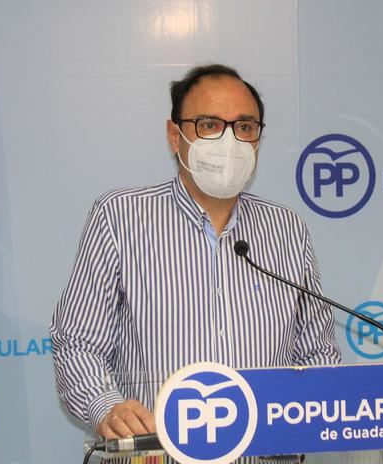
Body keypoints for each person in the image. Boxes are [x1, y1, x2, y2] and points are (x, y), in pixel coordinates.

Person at [50, 64, 341, 441]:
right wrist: (106, 406)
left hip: (266, 452)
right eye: (209, 125)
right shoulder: (120, 217)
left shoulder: (286, 229)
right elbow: (78, 341)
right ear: (175, 135)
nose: (229, 141)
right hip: (158, 452)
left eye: (244, 127)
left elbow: (317, 352)